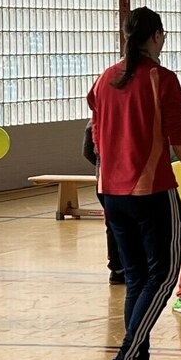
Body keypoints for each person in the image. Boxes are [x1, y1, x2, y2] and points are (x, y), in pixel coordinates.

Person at [88, 7, 181, 360]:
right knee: (165, 275)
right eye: (163, 34)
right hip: (151, 190)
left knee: (137, 278)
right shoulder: (162, 79)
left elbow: (96, 132)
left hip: (110, 190)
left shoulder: (105, 78)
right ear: (155, 36)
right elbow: (176, 134)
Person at [82, 121, 124, 284]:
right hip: (123, 181)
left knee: (113, 225)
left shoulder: (92, 123)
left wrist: (100, 166)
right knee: (127, 224)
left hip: (103, 181)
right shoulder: (122, 120)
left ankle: (116, 268)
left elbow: (87, 152)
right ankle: (126, 266)